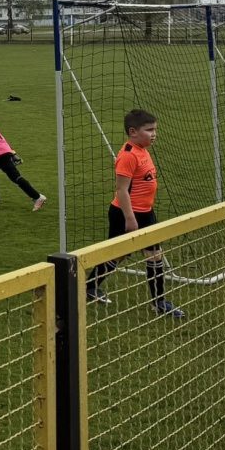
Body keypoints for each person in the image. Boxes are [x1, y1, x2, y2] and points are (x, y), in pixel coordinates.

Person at [85, 109, 185, 318]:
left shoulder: (143, 149)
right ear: (133, 132)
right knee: (118, 253)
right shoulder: (128, 155)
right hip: (125, 214)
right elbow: (121, 190)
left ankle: (158, 303)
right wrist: (130, 218)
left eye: (155, 129)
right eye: (149, 130)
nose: (154, 134)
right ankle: (89, 286)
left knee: (155, 256)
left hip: (146, 213)